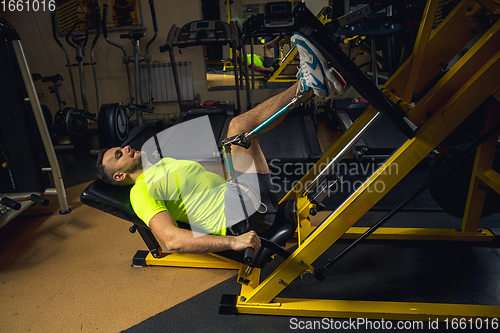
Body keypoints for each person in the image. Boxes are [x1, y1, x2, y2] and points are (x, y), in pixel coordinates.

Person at [95, 33, 347, 258]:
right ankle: (307, 85)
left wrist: (229, 161)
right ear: (119, 175)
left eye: (122, 148)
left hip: (241, 197)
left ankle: (312, 87)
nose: (126, 148)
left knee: (239, 135)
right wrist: (233, 242)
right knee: (238, 127)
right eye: (119, 154)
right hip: (244, 218)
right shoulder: (140, 192)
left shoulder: (160, 166)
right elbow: (171, 240)